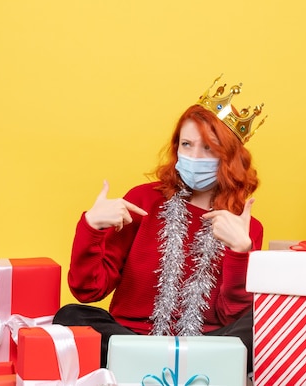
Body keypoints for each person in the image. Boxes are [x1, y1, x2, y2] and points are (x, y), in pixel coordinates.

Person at [53, 76, 266, 372]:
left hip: (208, 344)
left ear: (229, 158)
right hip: (133, 339)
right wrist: (92, 227)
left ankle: (166, 366)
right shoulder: (142, 201)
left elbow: (232, 315)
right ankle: (174, 367)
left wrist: (241, 250)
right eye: (187, 144)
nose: (193, 156)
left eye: (208, 148)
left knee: (264, 322)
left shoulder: (245, 225)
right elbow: (88, 291)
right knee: (71, 316)